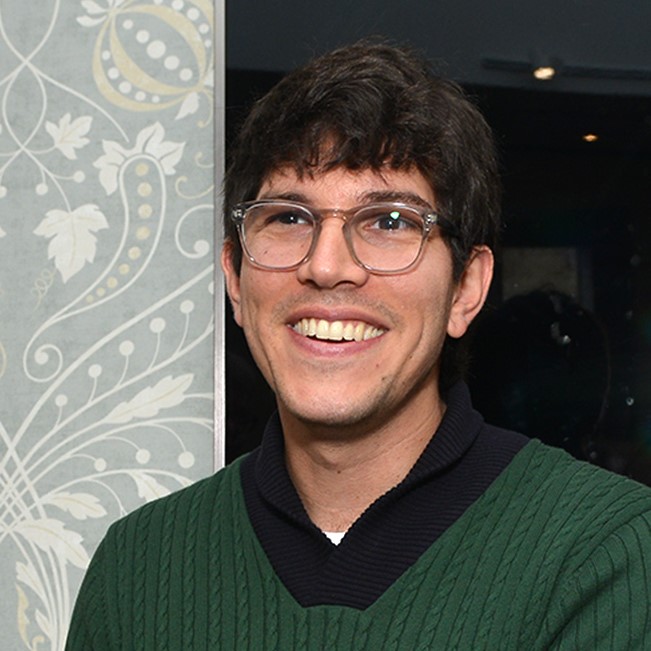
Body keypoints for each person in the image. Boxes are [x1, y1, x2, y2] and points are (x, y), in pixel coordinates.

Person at [66, 41, 651, 650]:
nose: (325, 265)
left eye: (390, 221)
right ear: (235, 280)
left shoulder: (604, 554)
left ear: (465, 289)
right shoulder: (137, 567)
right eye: (289, 217)